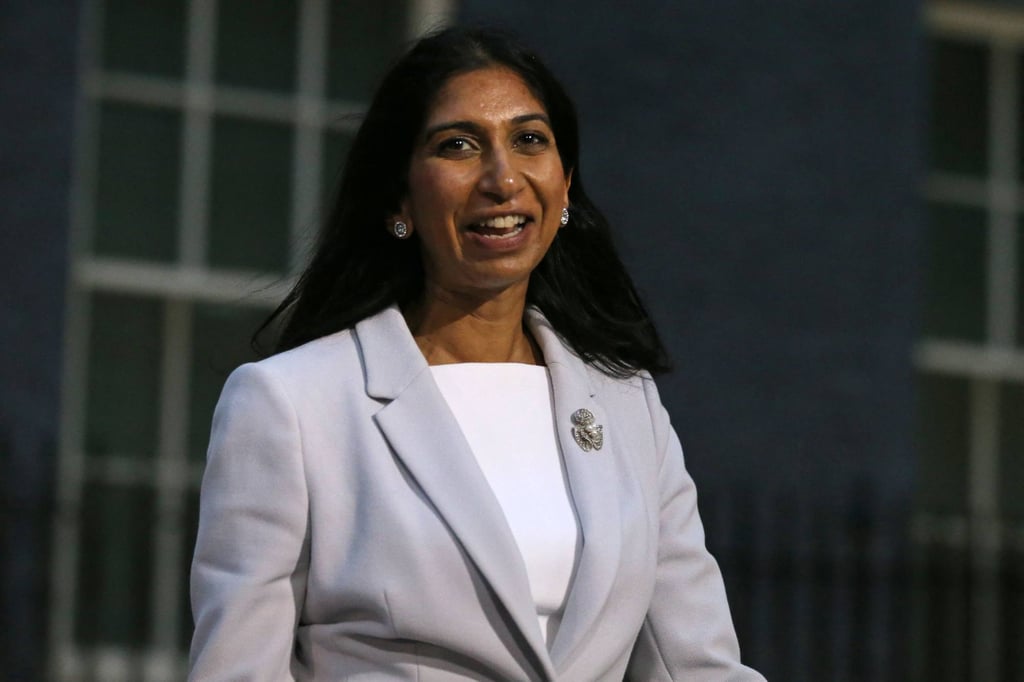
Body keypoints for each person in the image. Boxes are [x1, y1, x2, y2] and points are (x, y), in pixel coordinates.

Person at [189, 25, 764, 682]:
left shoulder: (628, 404)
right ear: (400, 197)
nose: (502, 178)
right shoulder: (290, 403)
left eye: (529, 140)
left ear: (565, 185)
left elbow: (698, 668)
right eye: (458, 145)